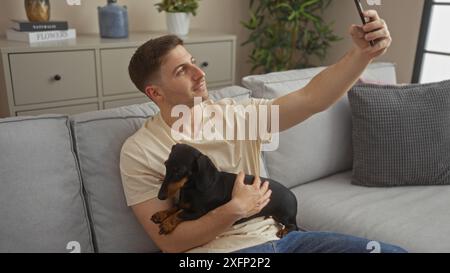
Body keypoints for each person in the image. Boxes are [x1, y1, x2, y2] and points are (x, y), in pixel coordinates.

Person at [120, 10, 406, 253]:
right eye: (182, 70)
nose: (200, 73)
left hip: (284, 240)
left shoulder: (238, 114)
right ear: (155, 92)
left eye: (193, 61)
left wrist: (363, 54)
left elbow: (310, 98)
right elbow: (170, 243)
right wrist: (235, 208)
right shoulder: (141, 149)